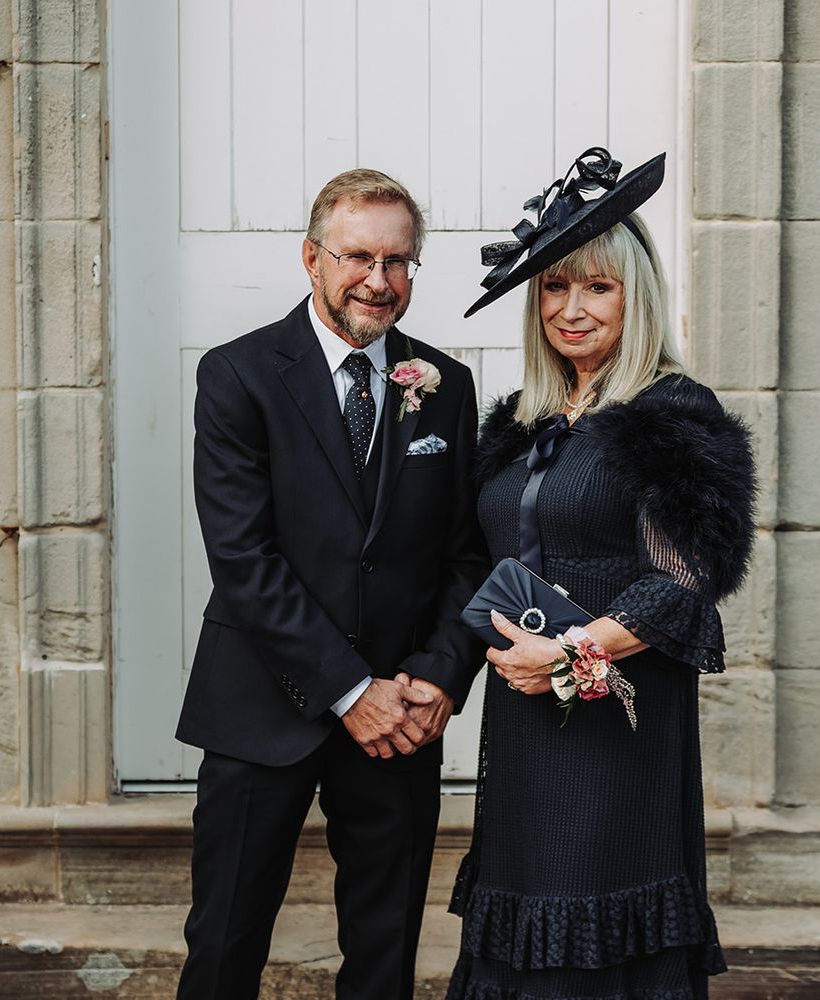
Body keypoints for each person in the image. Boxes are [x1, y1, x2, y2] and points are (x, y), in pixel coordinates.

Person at [446, 148, 757, 999]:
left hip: (616, 716)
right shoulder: (521, 421)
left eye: (598, 288)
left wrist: (573, 652)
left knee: (593, 896)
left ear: (636, 295)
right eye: (554, 287)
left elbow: (684, 575)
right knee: (524, 891)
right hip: (521, 717)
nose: (571, 309)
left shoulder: (669, 409)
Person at [175, 168, 488, 1000]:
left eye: (399, 262)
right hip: (261, 709)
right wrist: (353, 691)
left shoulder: (445, 388)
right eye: (357, 257)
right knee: (224, 947)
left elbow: (466, 556)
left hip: (400, 724)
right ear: (311, 258)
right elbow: (243, 559)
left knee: (384, 959)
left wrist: (441, 674)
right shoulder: (238, 375)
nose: (378, 282)